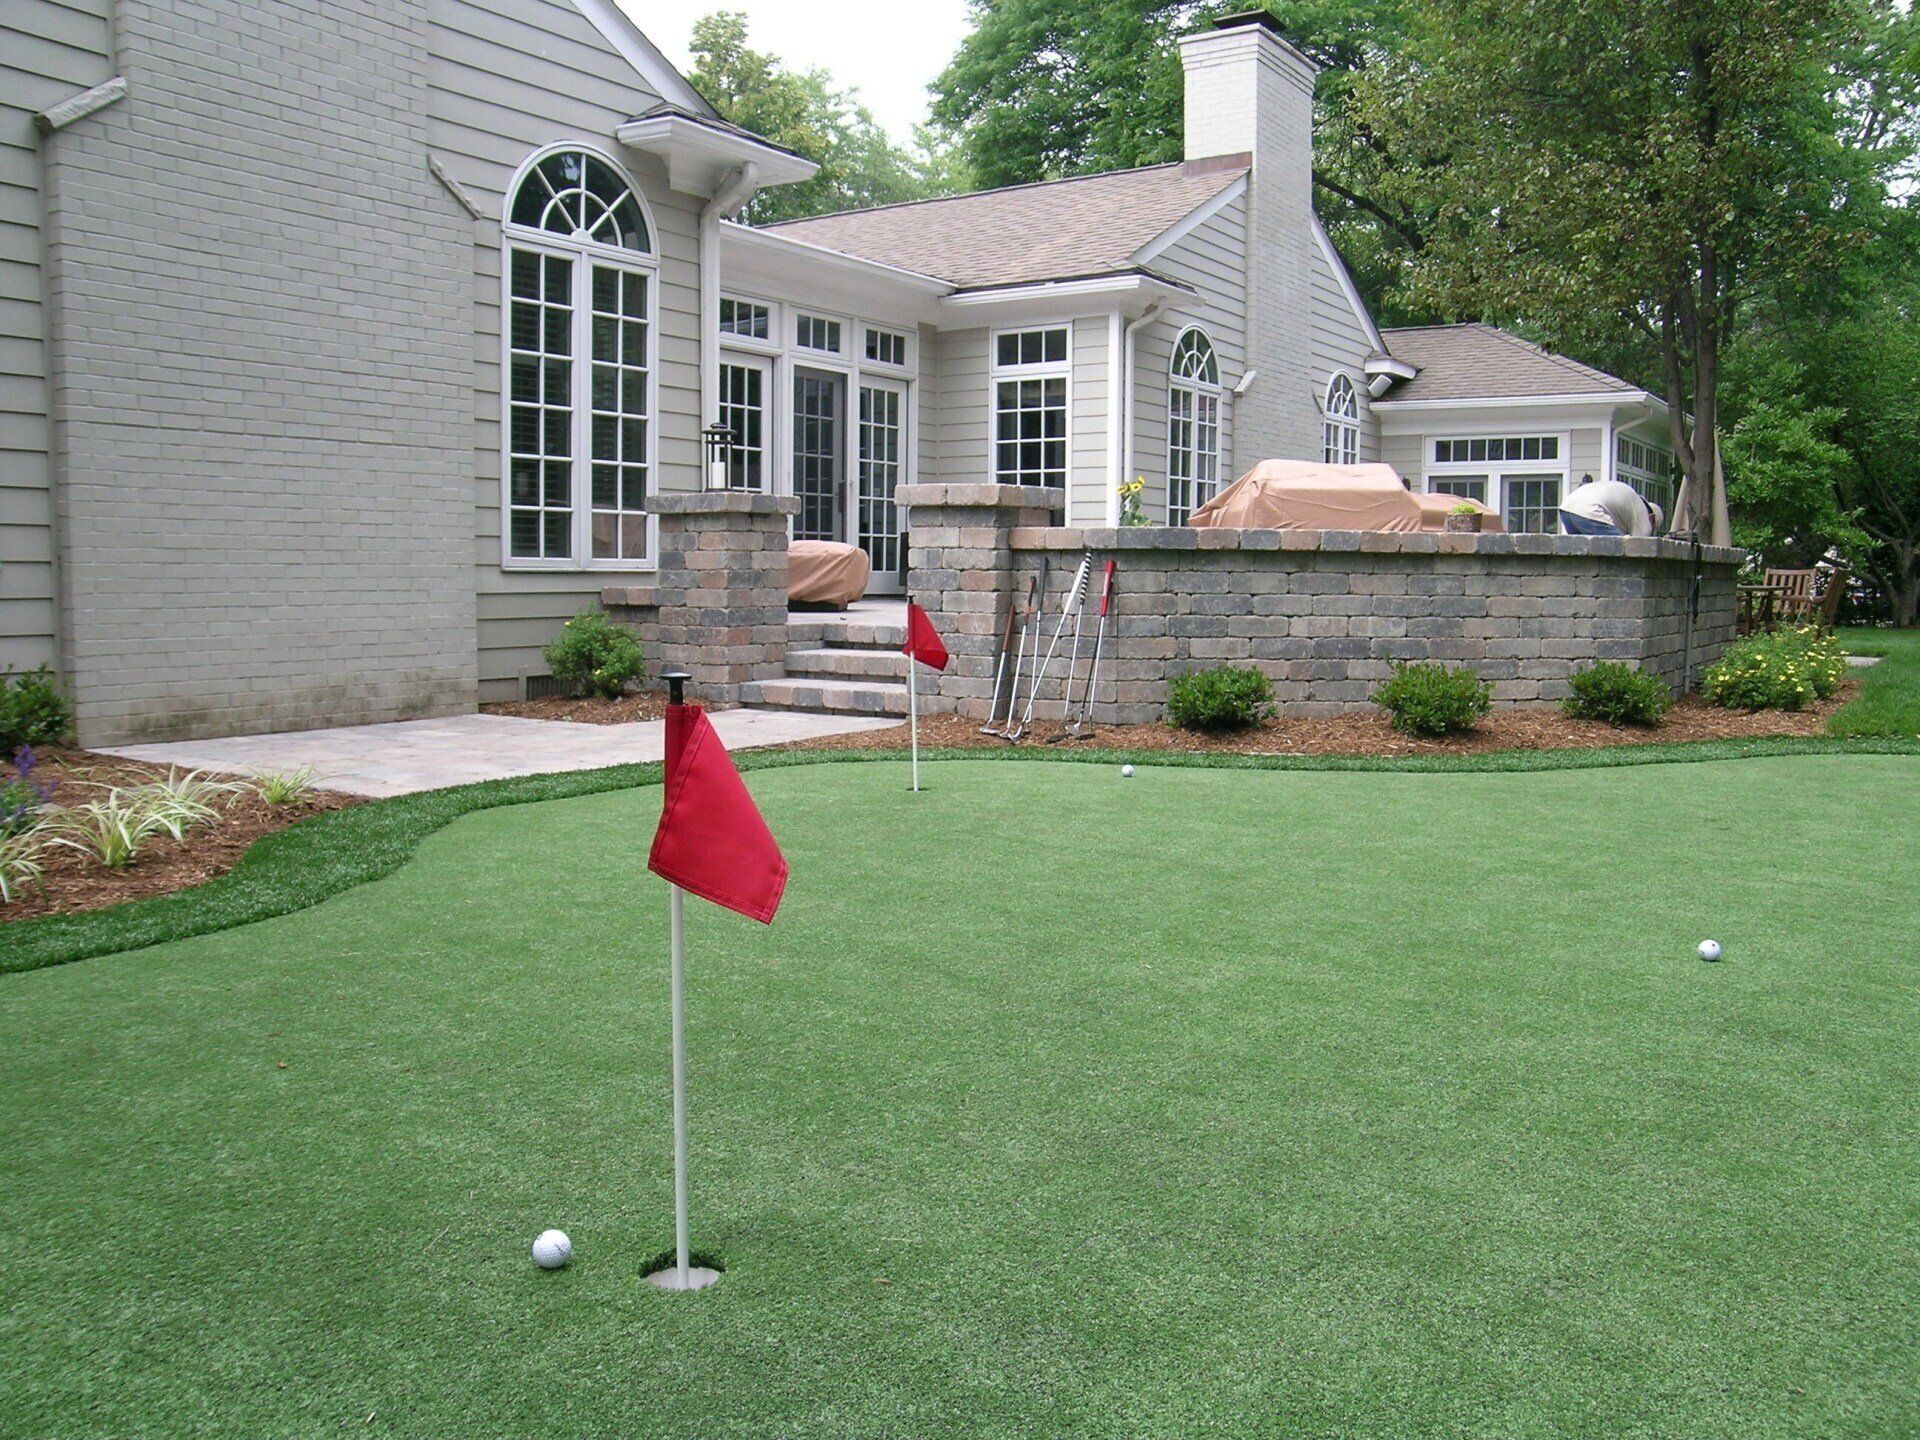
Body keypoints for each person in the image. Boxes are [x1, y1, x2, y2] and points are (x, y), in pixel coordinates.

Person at [1559, 475, 1662, 537]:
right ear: (1652, 518)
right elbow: (1640, 545)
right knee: (1622, 548)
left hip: (1566, 508)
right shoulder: (1644, 514)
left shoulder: (1632, 500)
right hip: (1589, 511)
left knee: (1581, 554)